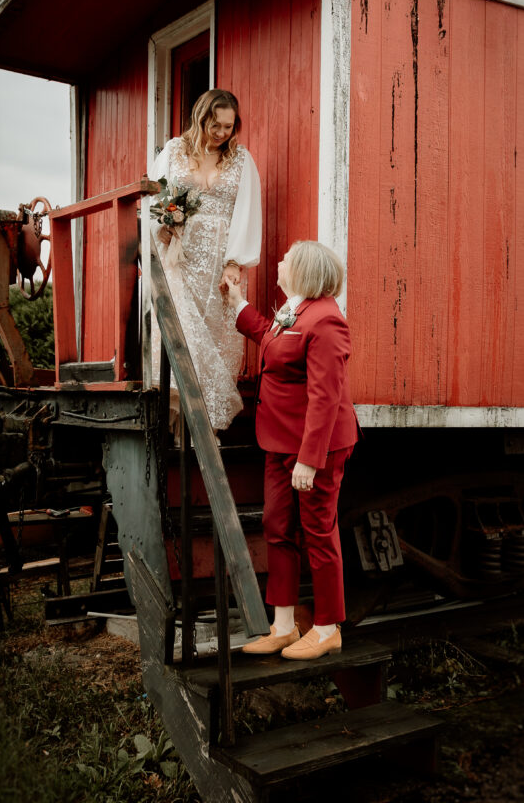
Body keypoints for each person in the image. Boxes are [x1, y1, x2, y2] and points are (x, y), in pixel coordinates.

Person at [223, 240, 359, 660]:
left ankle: (327, 627)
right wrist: (240, 304)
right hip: (279, 441)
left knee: (318, 532)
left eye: (285, 261)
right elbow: (269, 337)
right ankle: (283, 625)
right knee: (277, 527)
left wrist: (309, 459)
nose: (278, 263)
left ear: (303, 271)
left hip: (314, 448)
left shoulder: (326, 321)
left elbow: (326, 396)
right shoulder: (295, 310)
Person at [152, 89, 261, 431]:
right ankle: (177, 418)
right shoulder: (174, 151)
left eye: (228, 127)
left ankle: (203, 427)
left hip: (218, 257)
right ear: (200, 119)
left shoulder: (242, 160)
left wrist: (235, 262)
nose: (221, 133)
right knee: (182, 324)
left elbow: (246, 210)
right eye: (215, 125)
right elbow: (156, 196)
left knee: (214, 333)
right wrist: (164, 224)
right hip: (180, 254)